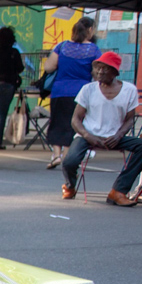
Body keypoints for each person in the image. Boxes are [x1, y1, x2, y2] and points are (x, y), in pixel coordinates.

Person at [60, 51, 142, 207]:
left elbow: (130, 119)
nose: (100, 72)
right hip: (88, 135)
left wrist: (119, 135)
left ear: (114, 72)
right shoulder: (88, 89)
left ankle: (118, 191)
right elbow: (75, 119)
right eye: (98, 68)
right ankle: (70, 186)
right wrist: (88, 136)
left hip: (115, 137)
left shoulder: (129, 90)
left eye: (105, 68)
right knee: (69, 161)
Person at [45, 17, 99, 170]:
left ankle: (56, 154)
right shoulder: (93, 50)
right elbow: (98, 72)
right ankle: (68, 155)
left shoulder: (62, 47)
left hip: (59, 91)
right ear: (90, 30)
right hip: (81, 92)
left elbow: (49, 67)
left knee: (56, 122)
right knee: (74, 123)